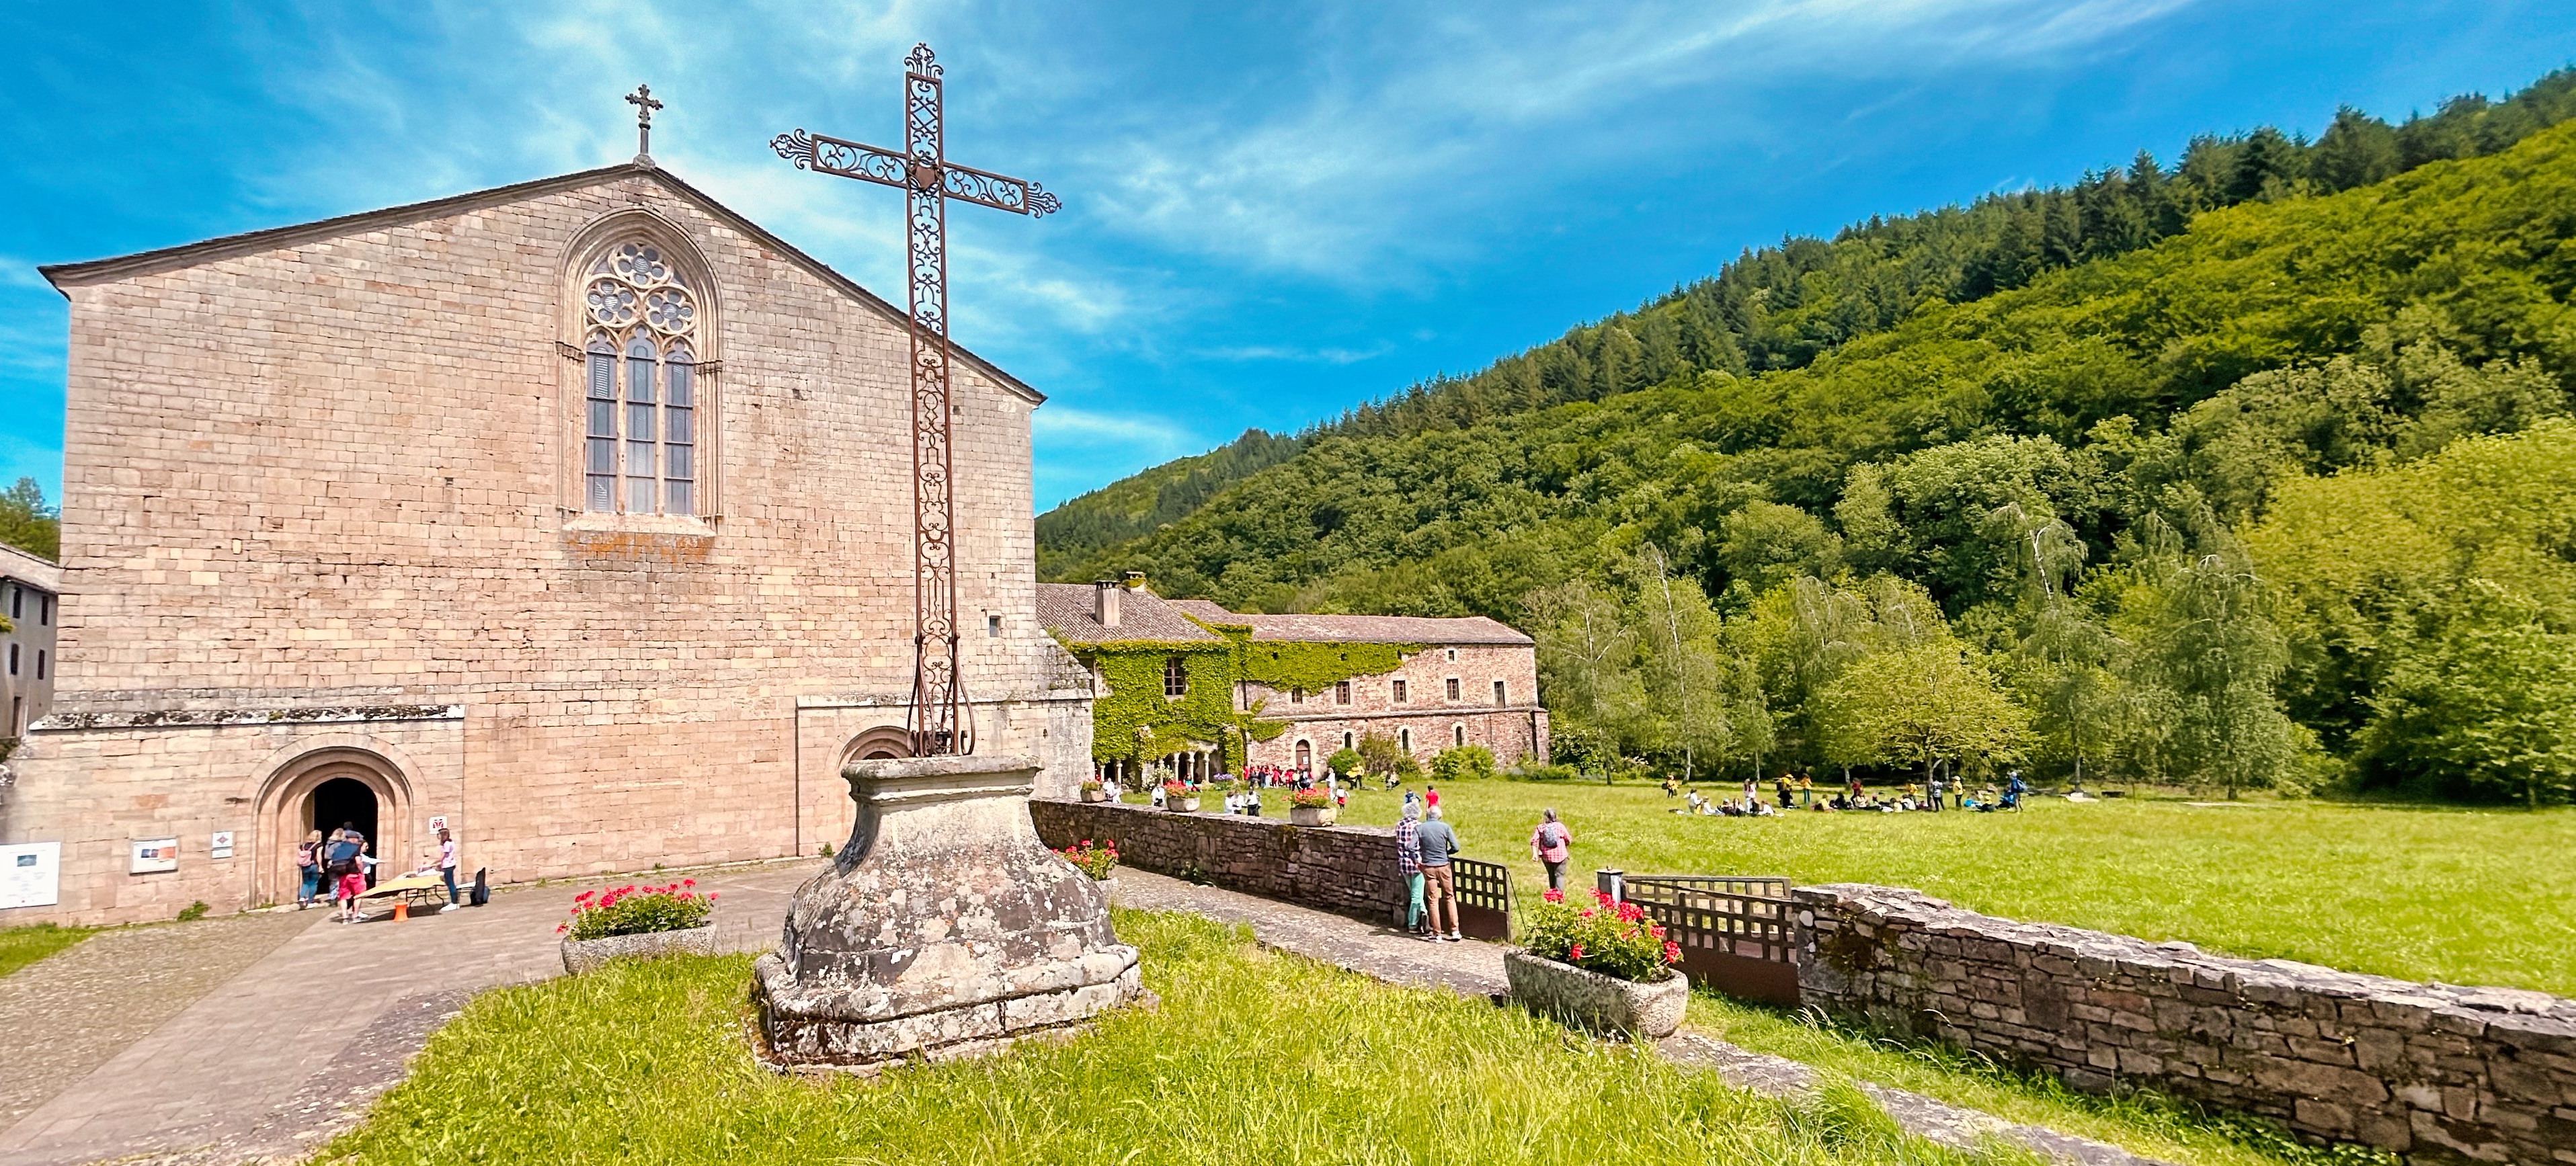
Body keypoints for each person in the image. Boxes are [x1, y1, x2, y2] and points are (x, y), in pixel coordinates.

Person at [1415, 806, 1463, 942]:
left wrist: (1418, 857)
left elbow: (1411, 846)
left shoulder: (1420, 828)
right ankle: (1455, 931)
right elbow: (1456, 847)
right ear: (1439, 816)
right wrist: (1446, 853)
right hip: (1444, 865)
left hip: (1428, 866)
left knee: (1433, 899)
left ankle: (1437, 933)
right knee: (1450, 896)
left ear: (1427, 815)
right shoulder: (1445, 827)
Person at [1394, 804, 1426, 935]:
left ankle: (1425, 916)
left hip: (1403, 863)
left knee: (1415, 892)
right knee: (1416, 895)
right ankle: (1413, 924)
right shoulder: (1419, 826)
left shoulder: (1399, 825)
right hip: (1417, 863)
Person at [325, 827, 366, 923]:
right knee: (358, 895)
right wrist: (362, 872)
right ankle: (355, 916)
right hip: (354, 874)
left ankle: (345, 918)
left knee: (343, 897)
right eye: (357, 839)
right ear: (353, 839)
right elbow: (358, 862)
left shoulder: (338, 848)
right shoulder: (355, 847)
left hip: (342, 875)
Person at [1528, 808, 1572, 891]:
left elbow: (1534, 841)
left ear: (1545, 817)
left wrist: (1535, 854)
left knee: (1551, 875)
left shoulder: (1541, 827)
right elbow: (1568, 839)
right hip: (1561, 855)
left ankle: (1552, 896)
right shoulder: (1560, 826)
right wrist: (1566, 844)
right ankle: (1559, 898)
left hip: (1547, 857)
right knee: (1559, 876)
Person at [294, 829, 325, 909]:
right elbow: (319, 856)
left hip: (305, 866)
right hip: (313, 865)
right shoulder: (318, 845)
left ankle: (302, 897)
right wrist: (320, 866)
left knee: (305, 883)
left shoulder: (303, 845)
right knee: (313, 883)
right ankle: (310, 901)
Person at [436, 827, 461, 911]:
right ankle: (455, 902)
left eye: (439, 834)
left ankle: (454, 903)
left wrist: (434, 863)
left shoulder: (447, 843)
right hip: (449, 865)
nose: (438, 836)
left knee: (450, 884)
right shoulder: (450, 842)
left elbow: (443, 856)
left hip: (448, 866)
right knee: (450, 883)